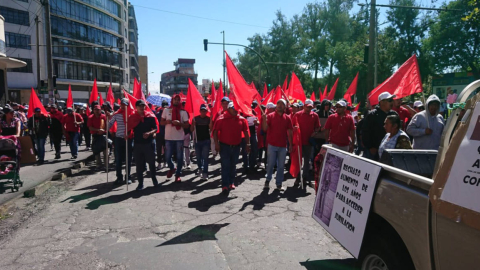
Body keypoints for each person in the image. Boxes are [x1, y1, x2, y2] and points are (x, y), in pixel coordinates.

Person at [213, 102, 249, 192]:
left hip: (236, 146)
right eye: (233, 108)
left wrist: (248, 144)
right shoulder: (221, 119)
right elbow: (215, 131)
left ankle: (231, 182)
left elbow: (246, 132)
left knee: (233, 165)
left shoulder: (242, 120)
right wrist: (216, 144)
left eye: (237, 108)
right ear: (229, 109)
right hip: (224, 146)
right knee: (225, 165)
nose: (236, 110)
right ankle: (225, 185)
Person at [262, 99, 293, 191]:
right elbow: (265, 129)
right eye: (278, 103)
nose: (280, 105)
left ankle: (279, 183)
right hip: (272, 145)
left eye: (282, 104)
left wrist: (291, 144)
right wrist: (264, 120)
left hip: (283, 146)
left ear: (285, 106)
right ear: (276, 105)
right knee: (271, 164)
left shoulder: (287, 118)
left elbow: (290, 132)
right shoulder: (270, 116)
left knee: (281, 166)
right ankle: (267, 180)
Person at [128, 100, 159, 190]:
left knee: (152, 163)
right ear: (136, 107)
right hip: (137, 144)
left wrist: (149, 133)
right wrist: (127, 134)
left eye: (143, 106)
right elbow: (129, 129)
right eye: (139, 106)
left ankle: (154, 180)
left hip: (149, 144)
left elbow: (156, 128)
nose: (141, 107)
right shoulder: (132, 117)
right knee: (139, 165)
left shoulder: (150, 116)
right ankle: (140, 183)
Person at [161, 94, 189, 182]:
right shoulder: (166, 110)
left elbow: (187, 125)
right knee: (167, 157)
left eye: (178, 100)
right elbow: (161, 122)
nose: (176, 101)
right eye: (175, 100)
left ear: (180, 101)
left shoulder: (183, 112)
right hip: (168, 138)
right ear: (172, 100)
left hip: (179, 138)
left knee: (180, 157)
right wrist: (167, 121)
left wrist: (179, 124)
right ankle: (172, 167)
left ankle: (178, 174)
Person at [362, 92, 398, 160]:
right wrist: (370, 147)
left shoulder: (394, 114)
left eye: (392, 100)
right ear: (382, 102)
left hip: (391, 150)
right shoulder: (372, 115)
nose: (392, 102)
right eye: (389, 100)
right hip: (374, 151)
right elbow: (365, 132)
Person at [292, 99, 320, 187]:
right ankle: (297, 178)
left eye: (310, 107)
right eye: (307, 107)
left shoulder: (315, 116)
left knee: (307, 161)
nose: (309, 109)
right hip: (298, 142)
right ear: (304, 106)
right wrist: (295, 128)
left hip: (308, 142)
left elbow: (318, 127)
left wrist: (315, 133)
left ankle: (304, 178)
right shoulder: (297, 114)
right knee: (298, 161)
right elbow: (292, 126)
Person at [109, 98, 134, 185]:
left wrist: (129, 133)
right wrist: (106, 126)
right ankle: (119, 177)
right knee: (118, 159)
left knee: (128, 159)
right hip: (119, 139)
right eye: (122, 104)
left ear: (128, 105)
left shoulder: (131, 114)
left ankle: (128, 176)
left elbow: (133, 126)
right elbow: (111, 123)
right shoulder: (117, 114)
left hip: (128, 139)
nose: (123, 106)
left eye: (125, 104)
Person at [191, 104, 211, 180]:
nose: (203, 112)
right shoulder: (195, 119)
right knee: (198, 157)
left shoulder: (208, 119)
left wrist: (211, 121)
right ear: (199, 111)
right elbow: (191, 129)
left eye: (204, 111)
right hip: (197, 141)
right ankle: (200, 168)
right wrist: (193, 124)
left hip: (206, 140)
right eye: (202, 111)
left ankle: (205, 173)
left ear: (206, 112)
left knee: (205, 157)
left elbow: (211, 129)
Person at [88, 105, 107, 170]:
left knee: (105, 151)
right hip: (95, 136)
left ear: (100, 110)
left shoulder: (103, 116)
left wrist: (103, 131)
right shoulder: (90, 117)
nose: (96, 111)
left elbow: (107, 126)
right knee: (96, 152)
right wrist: (98, 130)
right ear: (93, 110)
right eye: (95, 109)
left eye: (98, 110)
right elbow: (90, 127)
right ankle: (98, 165)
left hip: (103, 136)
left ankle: (106, 165)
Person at [155, 100, 168, 169]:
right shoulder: (158, 114)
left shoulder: (168, 114)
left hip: (167, 134)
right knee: (159, 149)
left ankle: (165, 162)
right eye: (164, 107)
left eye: (166, 107)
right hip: (159, 134)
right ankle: (159, 163)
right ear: (162, 107)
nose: (165, 109)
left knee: (166, 148)